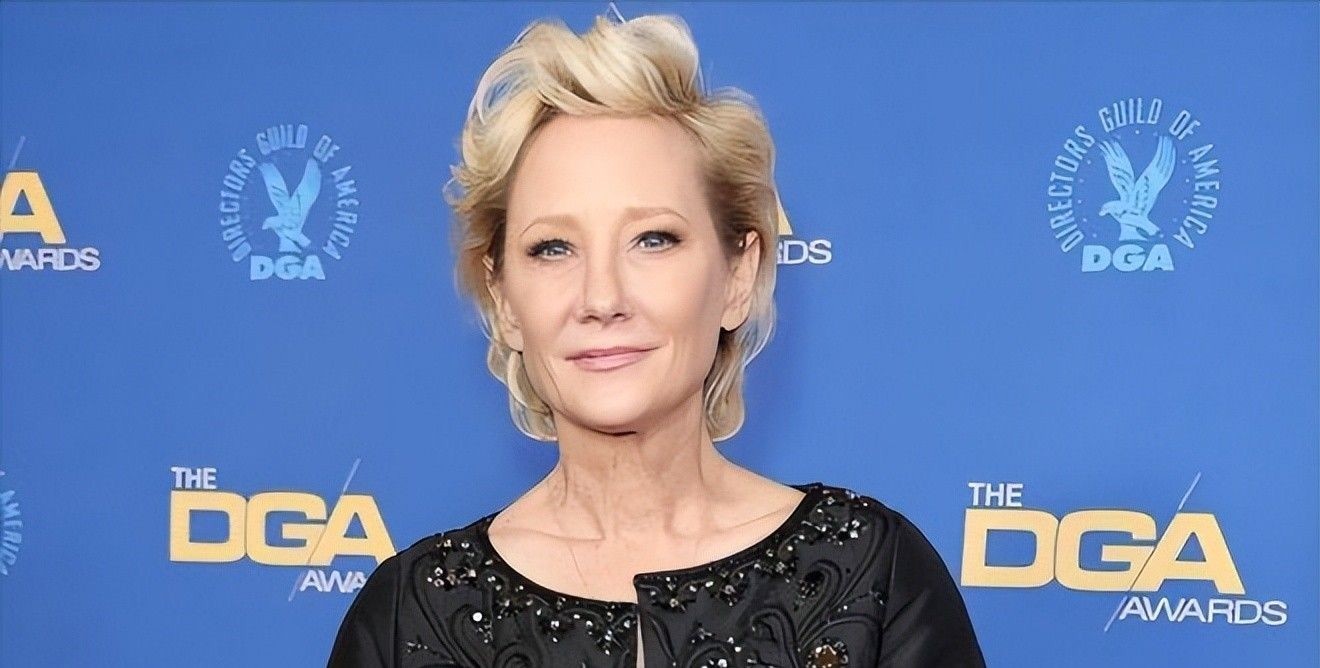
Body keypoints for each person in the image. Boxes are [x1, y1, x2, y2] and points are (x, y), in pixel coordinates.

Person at [329, 11, 984, 668]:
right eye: (553, 248)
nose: (602, 298)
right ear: (504, 301)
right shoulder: (410, 617)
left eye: (653, 240)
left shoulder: (869, 578)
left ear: (738, 277)